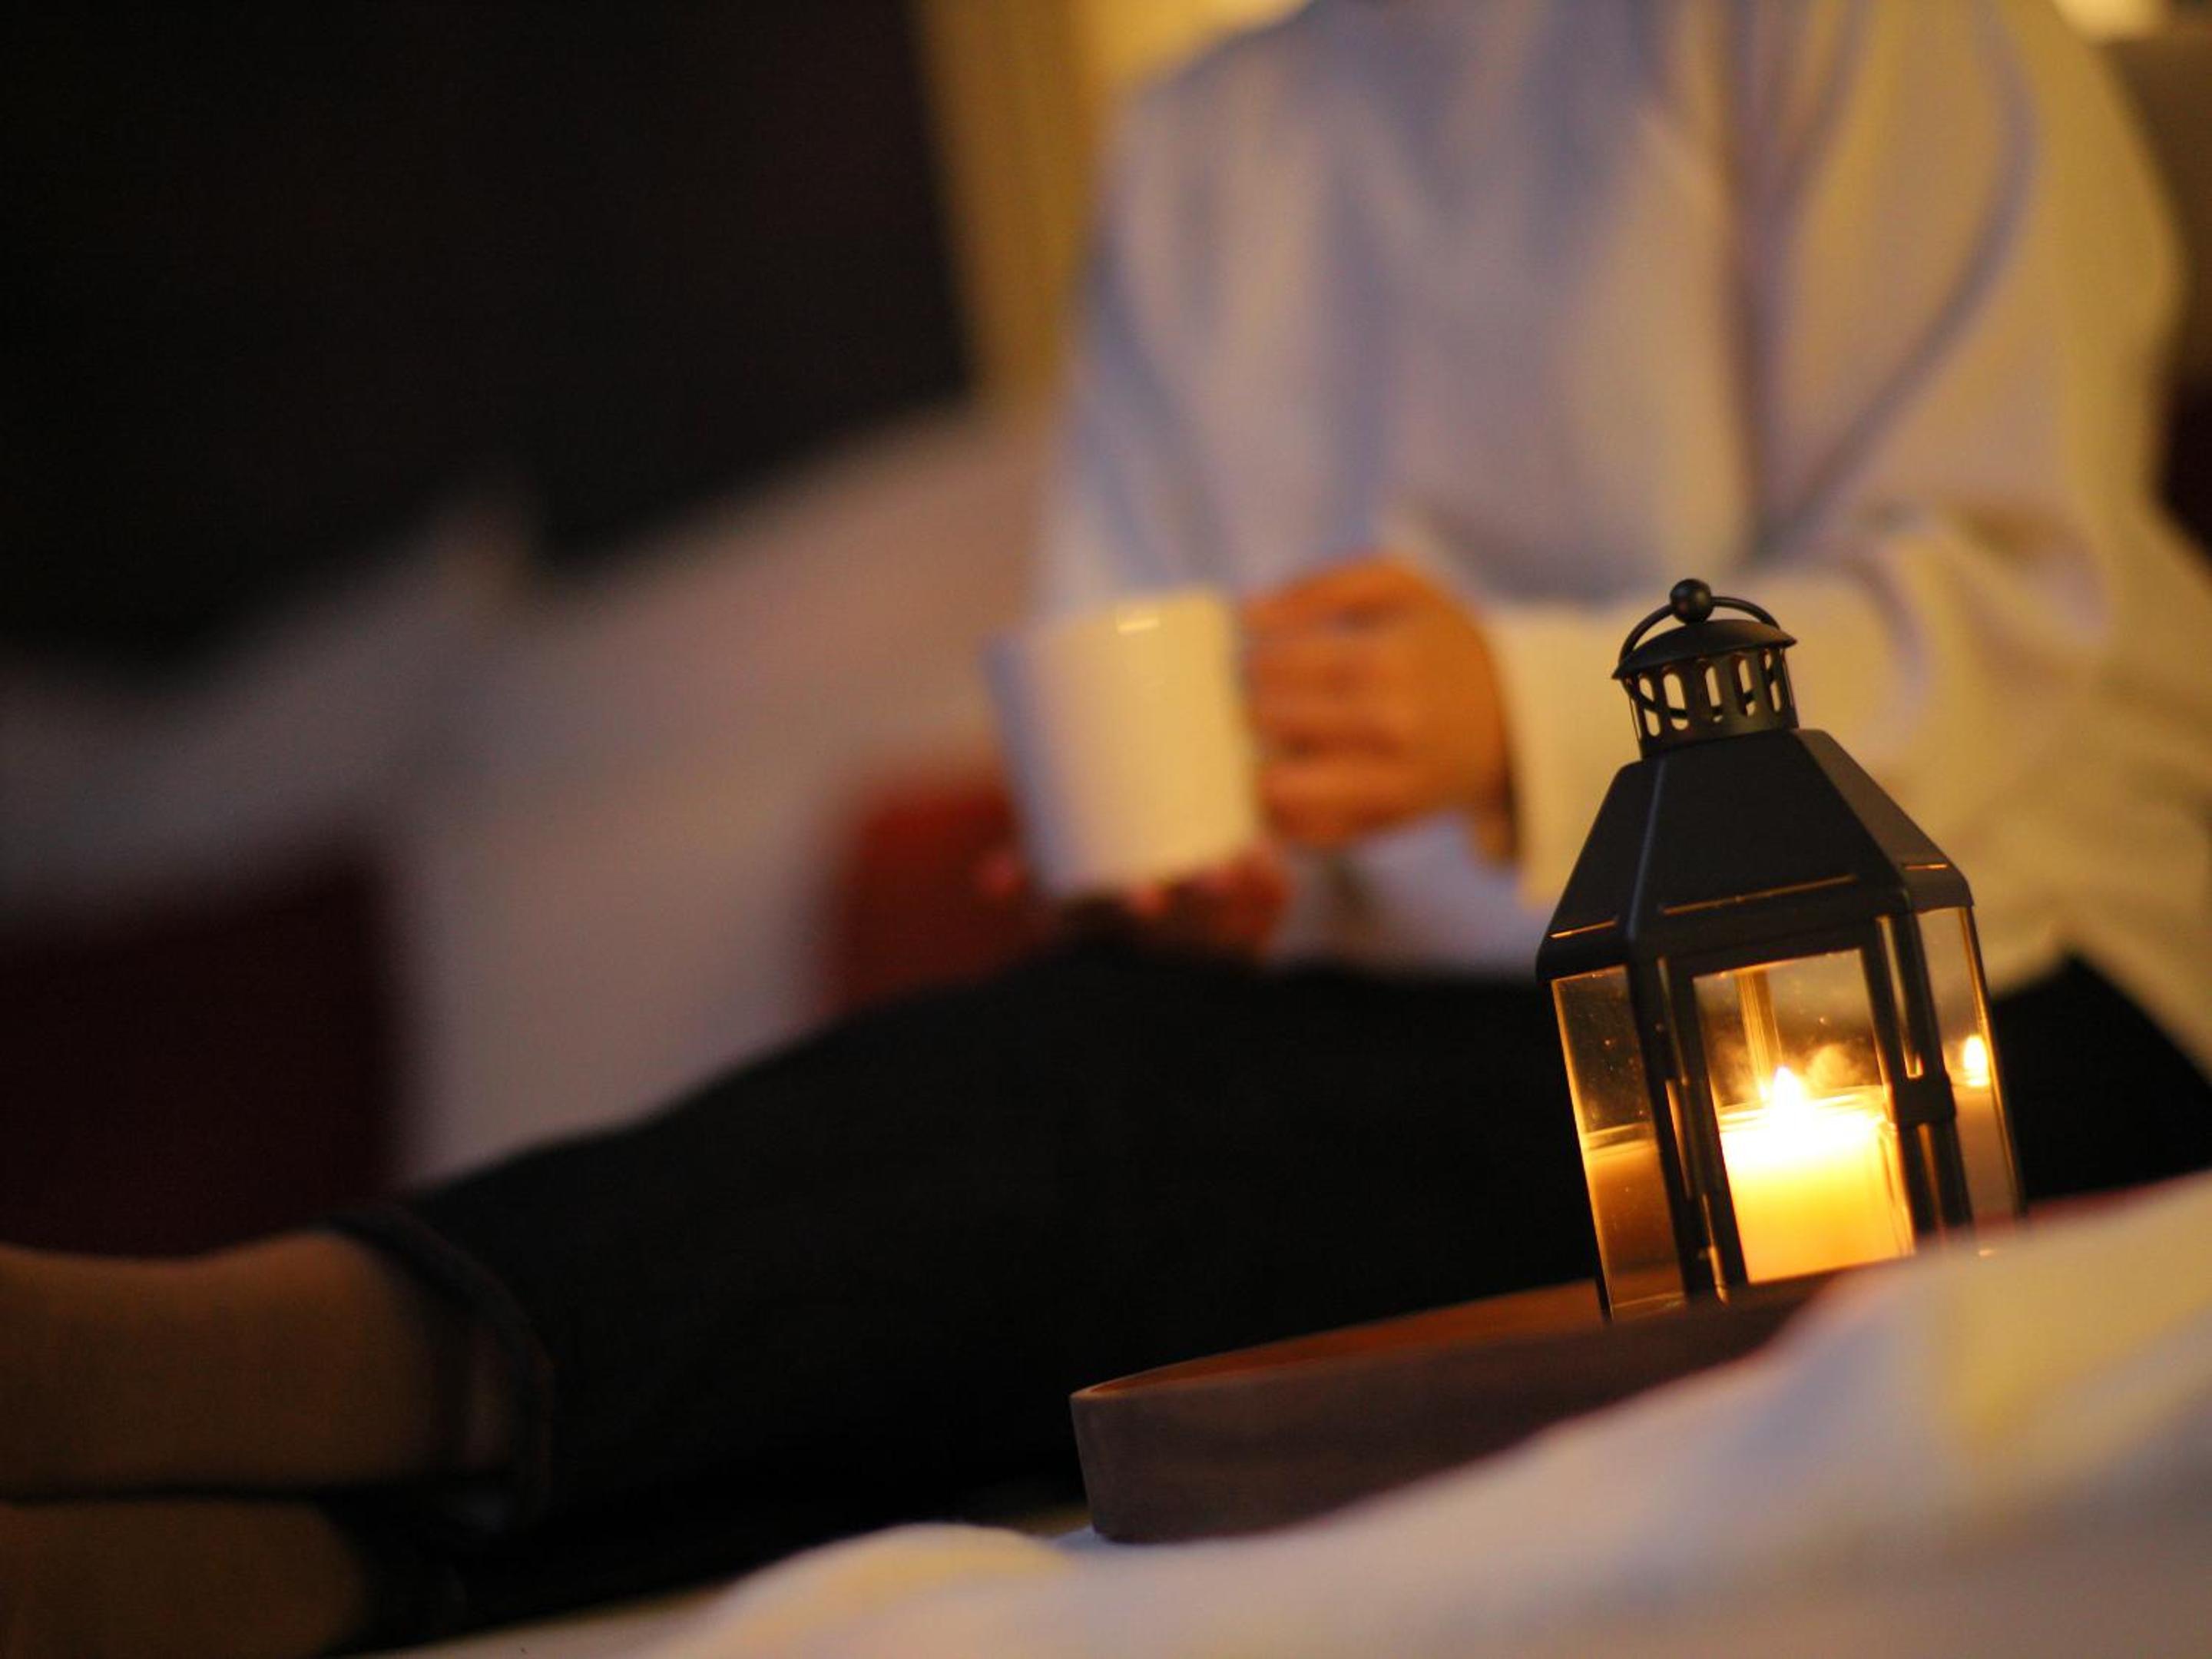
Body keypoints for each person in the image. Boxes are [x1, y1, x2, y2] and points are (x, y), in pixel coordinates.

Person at [6, 2, 2211, 1653]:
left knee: (1106, 1143)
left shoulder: (1838, 26)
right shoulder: (1205, 146)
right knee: (1068, 1202)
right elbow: (1149, 648)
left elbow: (2023, 600)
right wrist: (1207, 875)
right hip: (1419, 1024)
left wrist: (1518, 707)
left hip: (1977, 998)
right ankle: (297, 1568)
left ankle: (219, 1365)